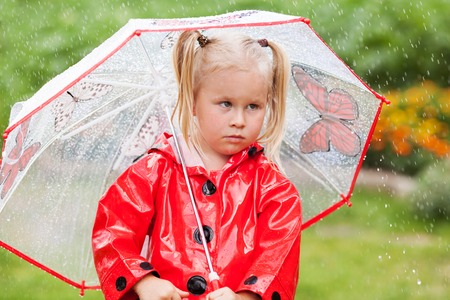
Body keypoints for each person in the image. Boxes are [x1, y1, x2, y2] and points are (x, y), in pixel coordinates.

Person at [92, 29, 302, 300]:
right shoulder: (157, 169)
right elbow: (112, 229)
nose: (239, 119)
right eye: (225, 104)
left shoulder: (274, 190)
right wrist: (145, 283)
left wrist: (245, 298)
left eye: (253, 106)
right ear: (192, 101)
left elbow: (277, 258)